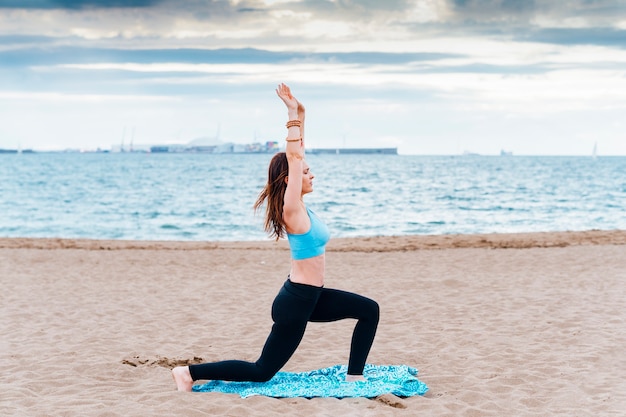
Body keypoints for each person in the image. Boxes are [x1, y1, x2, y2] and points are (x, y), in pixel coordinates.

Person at [172, 83, 379, 392]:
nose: (312, 175)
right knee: (262, 371)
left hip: (313, 298)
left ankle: (354, 377)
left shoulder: (301, 207)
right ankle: (188, 372)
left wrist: (301, 111)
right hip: (295, 302)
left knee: (369, 310)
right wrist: (291, 114)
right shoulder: (291, 209)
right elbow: (295, 159)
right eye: (306, 173)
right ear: (290, 181)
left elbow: (298, 155)